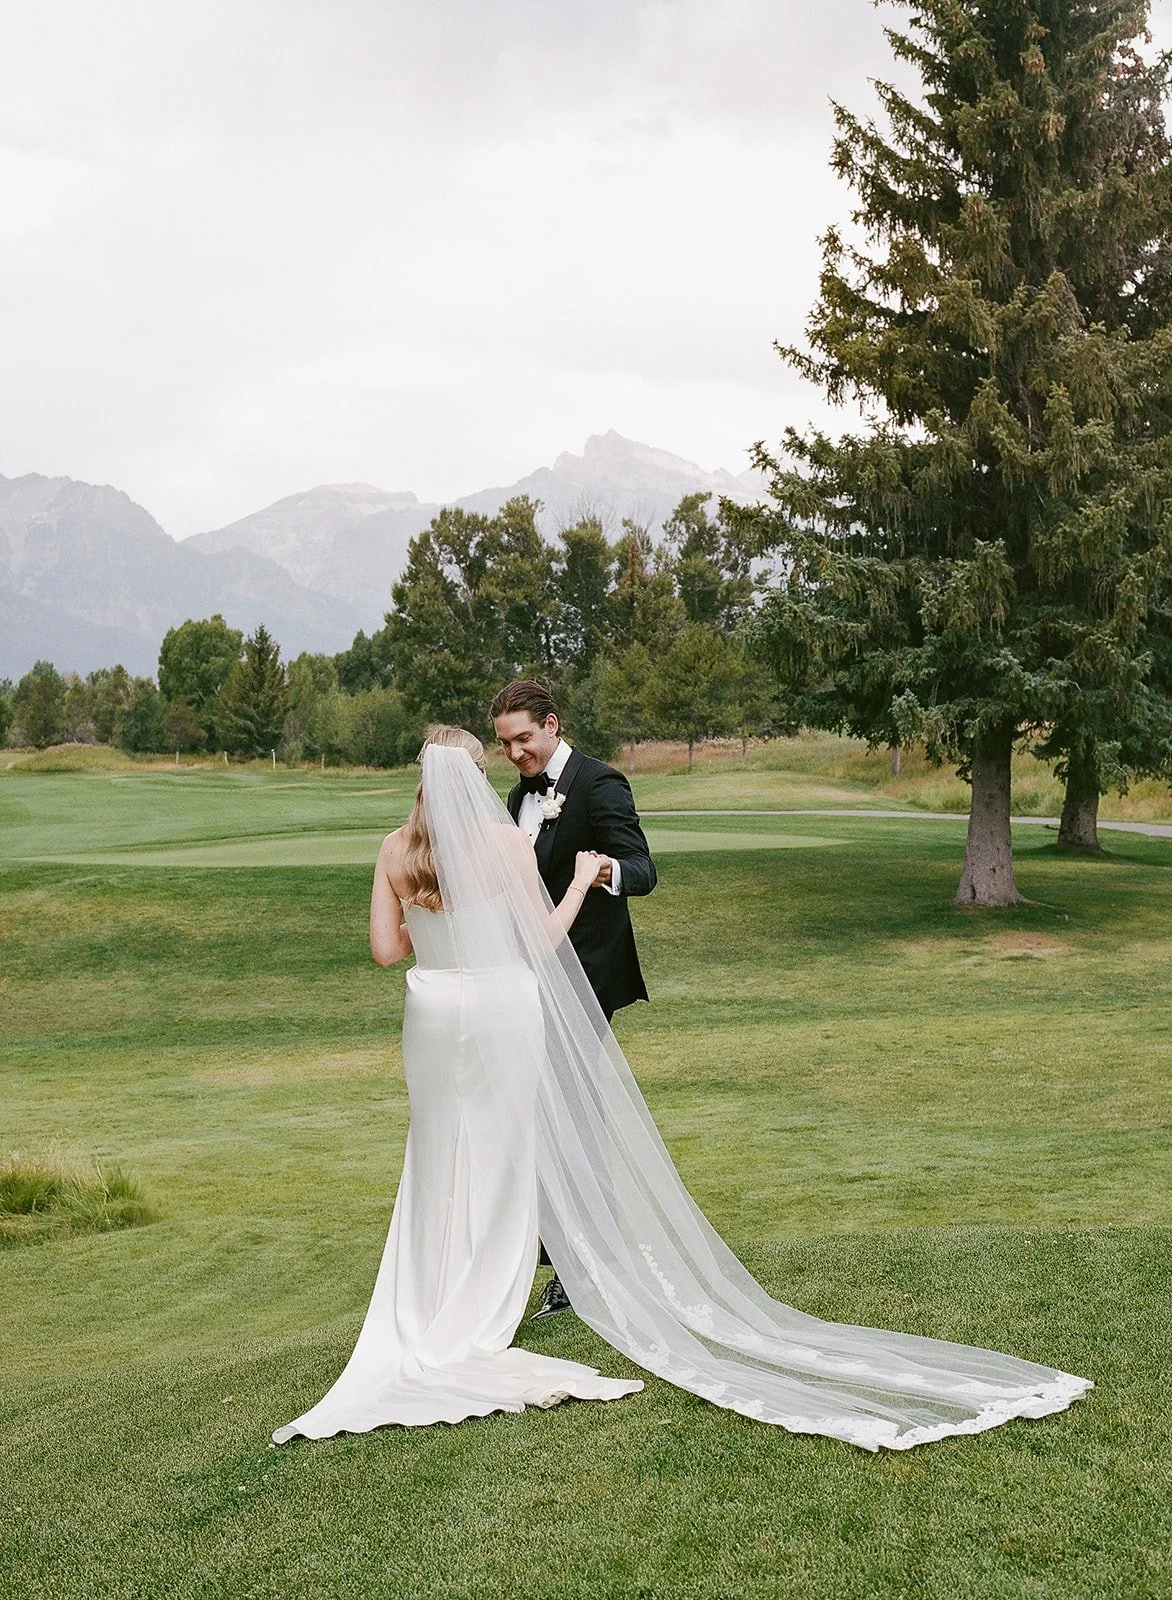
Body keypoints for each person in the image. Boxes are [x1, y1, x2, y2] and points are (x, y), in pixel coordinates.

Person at [273, 727, 1090, 1451]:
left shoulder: (391, 850)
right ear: (474, 775)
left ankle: (432, 1298)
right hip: (499, 1012)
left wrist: (433, 930)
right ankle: (488, 1299)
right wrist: (581, 876)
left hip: (433, 1014)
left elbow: (387, 954)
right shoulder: (502, 844)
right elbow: (540, 943)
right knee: (506, 1150)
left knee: (438, 1153)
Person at [490, 678, 657, 1320]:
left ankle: (580, 1265)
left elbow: (642, 869)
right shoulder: (517, 797)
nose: (515, 754)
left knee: (571, 1112)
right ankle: (561, 1250)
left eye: (524, 739)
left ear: (552, 725)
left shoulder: (599, 782)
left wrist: (600, 870)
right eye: (506, 743)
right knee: (543, 1111)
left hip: (586, 977)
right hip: (528, 979)